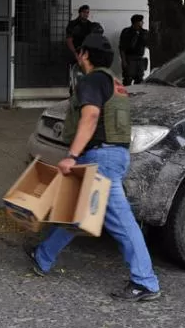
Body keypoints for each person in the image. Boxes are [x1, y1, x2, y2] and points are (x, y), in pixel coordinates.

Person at [26, 32, 162, 302]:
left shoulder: (91, 80)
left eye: (79, 51)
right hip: (114, 155)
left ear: (84, 54)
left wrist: (72, 155)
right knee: (73, 210)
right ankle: (42, 257)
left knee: (120, 220)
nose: (78, 55)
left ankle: (145, 281)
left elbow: (90, 117)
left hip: (101, 159)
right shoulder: (115, 83)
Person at [65, 5, 93, 94]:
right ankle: (73, 94)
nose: (86, 14)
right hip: (75, 53)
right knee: (74, 76)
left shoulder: (90, 25)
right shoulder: (72, 24)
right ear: (80, 13)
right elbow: (69, 41)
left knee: (88, 75)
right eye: (84, 12)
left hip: (86, 54)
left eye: (87, 12)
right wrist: (76, 55)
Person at [119, 14, 148, 85]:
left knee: (139, 79)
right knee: (128, 79)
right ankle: (125, 95)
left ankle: (137, 96)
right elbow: (122, 47)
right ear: (136, 22)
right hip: (130, 58)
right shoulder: (126, 32)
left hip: (140, 59)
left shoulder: (144, 32)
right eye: (141, 21)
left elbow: (148, 44)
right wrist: (124, 61)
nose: (142, 23)